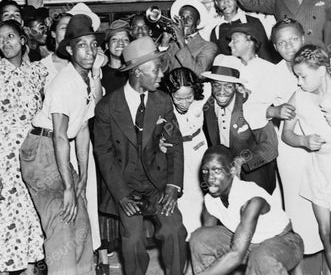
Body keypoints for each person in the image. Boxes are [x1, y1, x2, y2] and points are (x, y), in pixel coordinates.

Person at [94, 36, 187, 275]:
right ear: (136, 72)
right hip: (126, 186)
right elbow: (103, 154)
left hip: (157, 185)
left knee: (174, 229)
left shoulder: (163, 102)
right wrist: (122, 195)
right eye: (156, 70)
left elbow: (175, 145)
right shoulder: (107, 107)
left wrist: (172, 186)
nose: (161, 75)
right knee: (132, 238)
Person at [20, 14, 105, 275]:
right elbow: (59, 135)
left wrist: (82, 179)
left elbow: (81, 129)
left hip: (59, 150)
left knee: (81, 219)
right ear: (69, 49)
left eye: (93, 44)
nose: (89, 51)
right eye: (82, 45)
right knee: (61, 219)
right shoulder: (64, 83)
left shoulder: (87, 80)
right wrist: (68, 186)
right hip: (41, 149)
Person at [267, 19, 331, 269]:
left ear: (304, 38)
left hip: (328, 149)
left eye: (293, 39)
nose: (289, 46)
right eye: (281, 42)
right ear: (275, 47)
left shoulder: (325, 65)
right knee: (303, 219)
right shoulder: (272, 74)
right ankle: (305, 268)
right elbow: (255, 108)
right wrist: (275, 110)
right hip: (293, 153)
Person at [0, 20, 45, 275]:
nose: (5, 42)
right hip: (2, 165)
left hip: (33, 163)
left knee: (32, 232)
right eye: (0, 39)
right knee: (5, 236)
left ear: (23, 39)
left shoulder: (37, 73)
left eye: (10, 36)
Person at [282, 44, 331, 275]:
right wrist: (303, 141)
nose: (298, 81)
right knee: (325, 234)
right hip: (318, 169)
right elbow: (287, 134)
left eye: (302, 76)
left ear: (321, 70)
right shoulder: (299, 97)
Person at [190, 145, 304, 275]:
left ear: (232, 171)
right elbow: (207, 240)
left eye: (217, 171)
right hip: (249, 244)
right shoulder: (210, 201)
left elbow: (236, 255)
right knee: (199, 238)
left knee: (261, 258)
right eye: (205, 171)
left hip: (284, 242)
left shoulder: (251, 199)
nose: (210, 178)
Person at [202, 54, 278, 194]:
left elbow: (270, 147)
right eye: (217, 85)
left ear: (237, 86)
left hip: (256, 176)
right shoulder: (208, 107)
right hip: (226, 180)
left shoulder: (252, 105)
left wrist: (242, 161)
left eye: (228, 86)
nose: (221, 91)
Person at [162, 67, 208, 239]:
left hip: (200, 147)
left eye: (188, 97)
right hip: (180, 152)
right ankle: (189, 239)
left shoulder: (203, 97)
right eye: (178, 98)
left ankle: (205, 236)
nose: (184, 102)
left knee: (204, 194)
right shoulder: (163, 108)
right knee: (186, 198)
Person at [210, 0, 275, 62]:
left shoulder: (254, 22)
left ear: (237, 0)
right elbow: (218, 61)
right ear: (216, 3)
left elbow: (265, 54)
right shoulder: (216, 31)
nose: (226, 1)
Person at [160, 0, 217, 77]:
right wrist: (164, 43)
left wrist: (182, 41)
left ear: (198, 22)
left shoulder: (209, 46)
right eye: (182, 18)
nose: (185, 22)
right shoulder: (172, 45)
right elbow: (161, 70)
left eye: (189, 18)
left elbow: (199, 74)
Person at [101, 19, 130, 94]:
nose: (120, 43)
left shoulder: (134, 71)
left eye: (125, 40)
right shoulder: (99, 73)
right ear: (107, 45)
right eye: (115, 39)